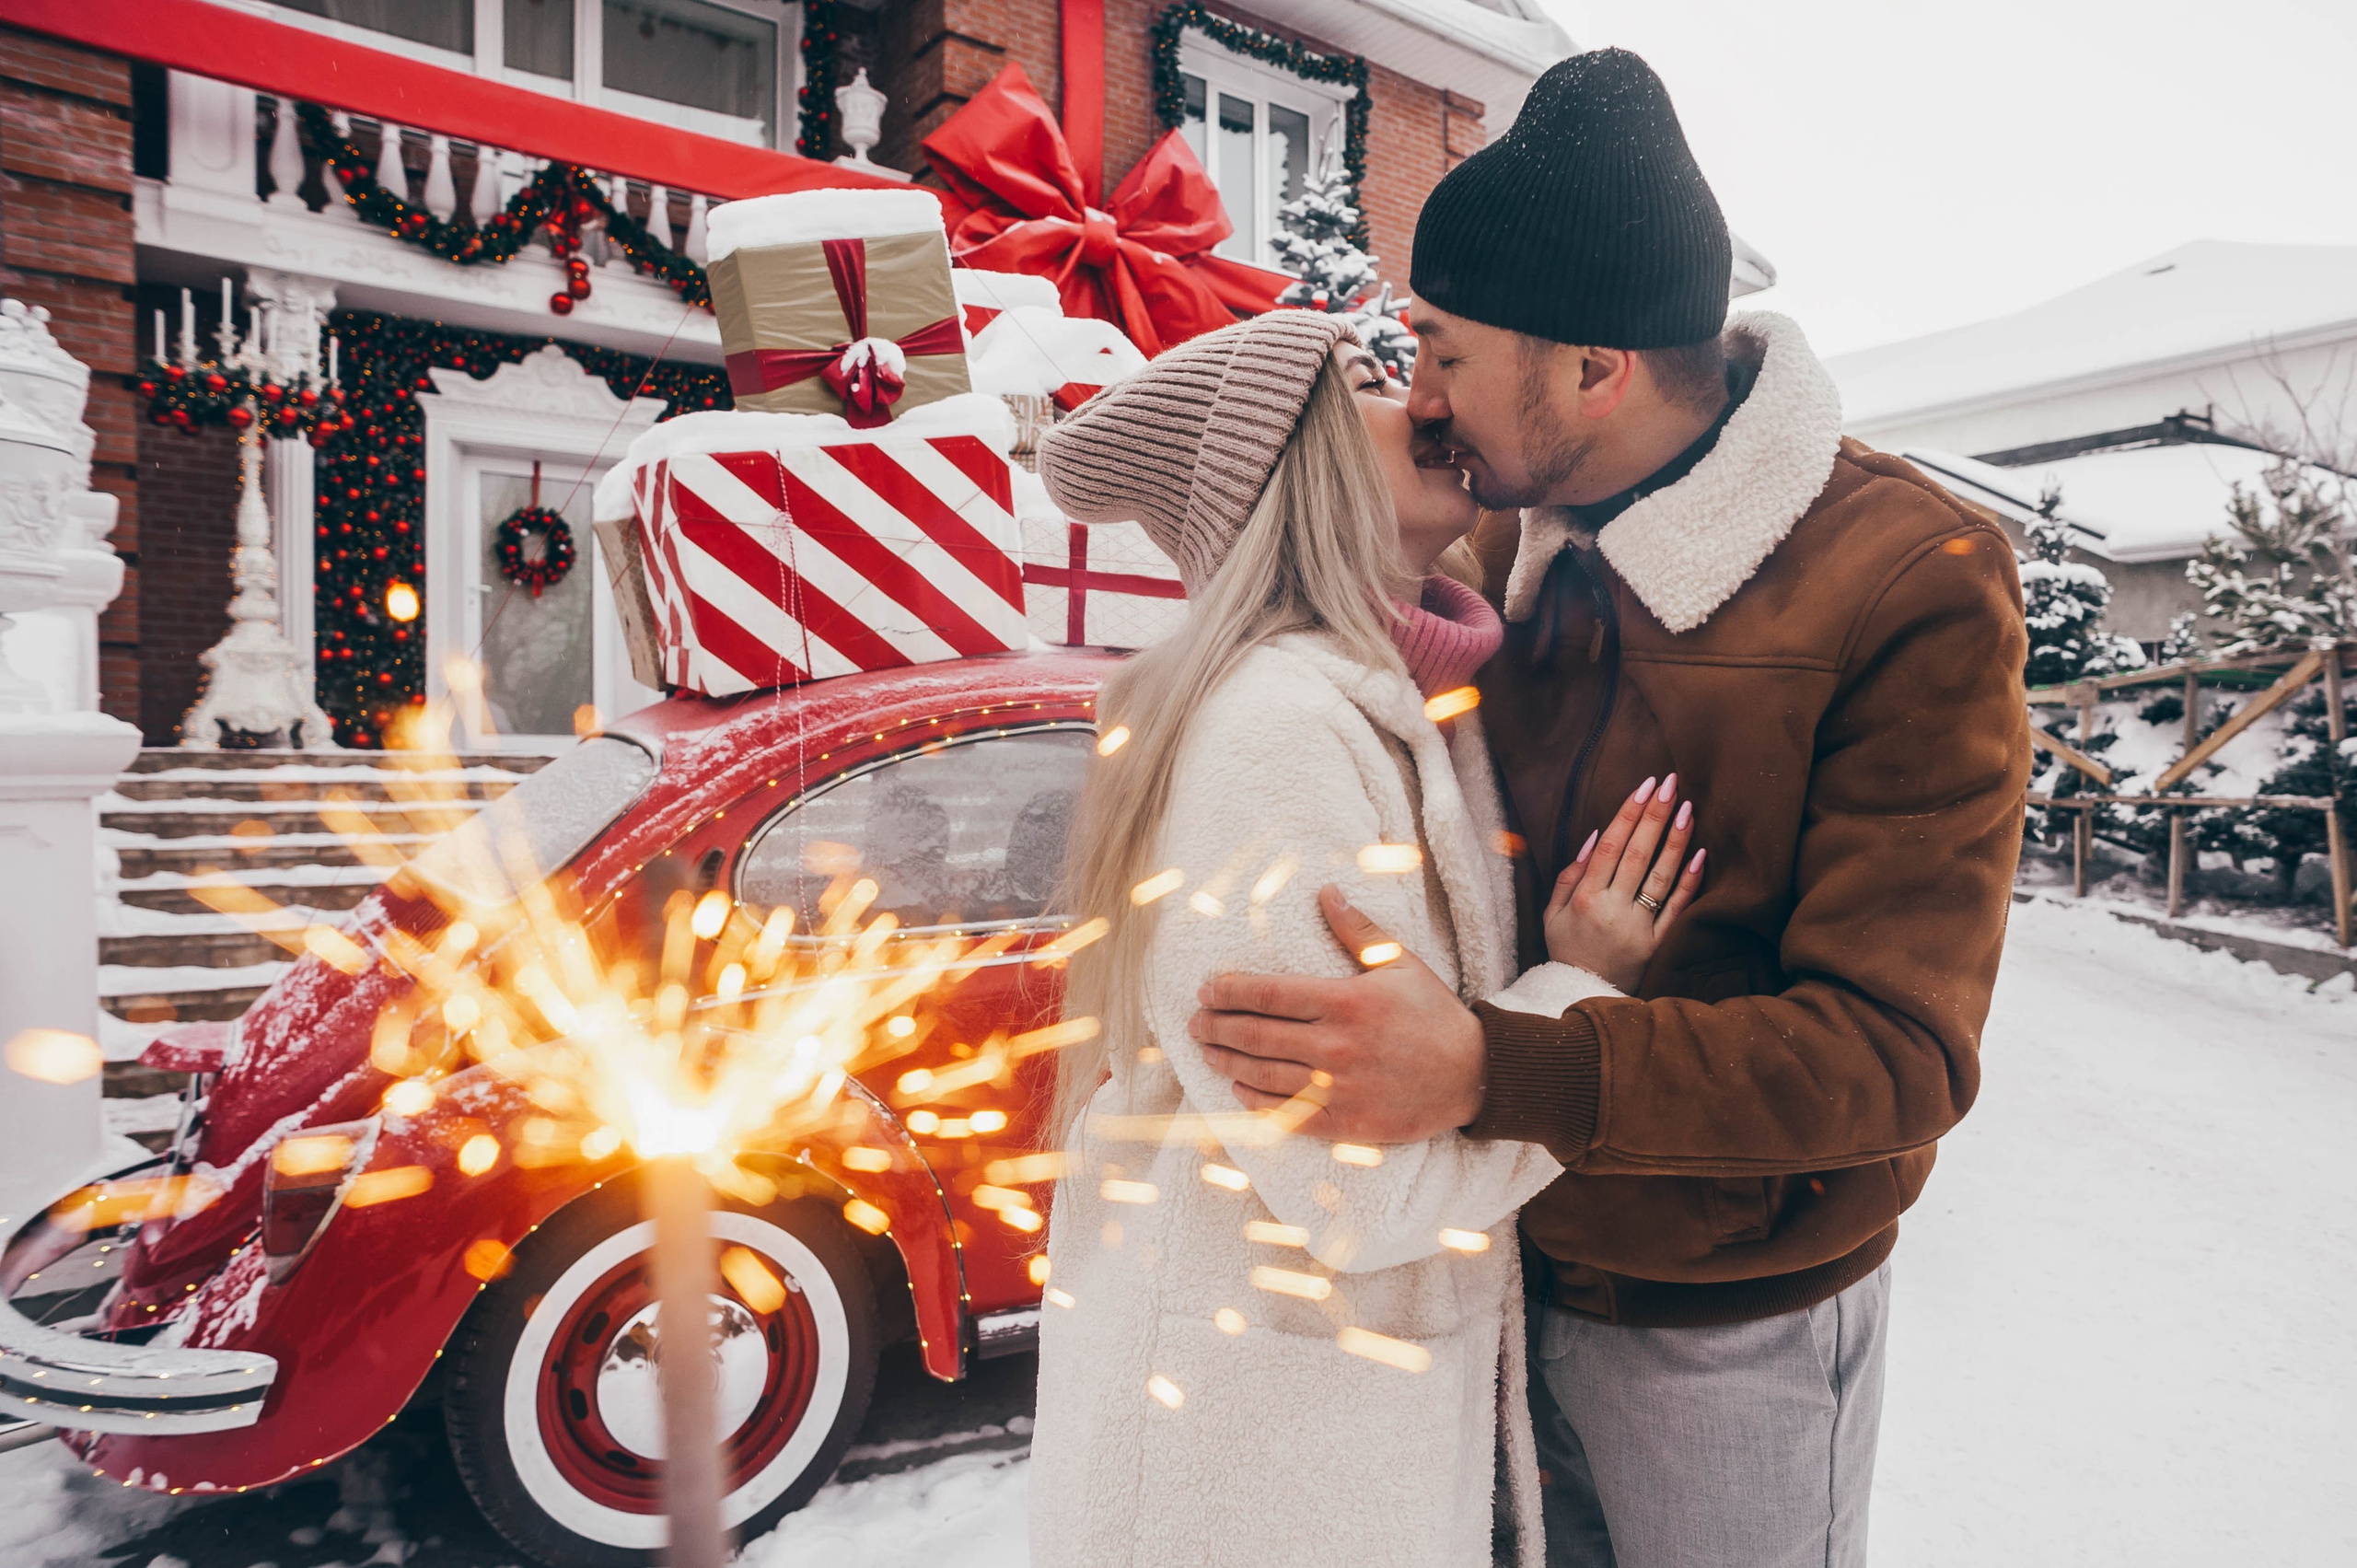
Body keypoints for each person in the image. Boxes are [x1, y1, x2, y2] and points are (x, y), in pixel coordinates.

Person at [1188, 48, 2034, 1568]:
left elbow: (1896, 1055)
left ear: (1594, 369)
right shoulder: (1493, 546)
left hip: (1728, 1330)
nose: (1423, 402)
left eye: (1447, 353)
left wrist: (1501, 1068)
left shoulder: (1909, 579)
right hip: (1497, 1275)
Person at [1021, 309, 1705, 1568]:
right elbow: (1361, 1190)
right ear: (1305, 466)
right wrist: (1581, 989)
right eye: (1374, 388)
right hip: (1249, 1489)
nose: (1427, 405)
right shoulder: (1277, 734)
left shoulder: (1387, 706)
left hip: (1297, 1455)